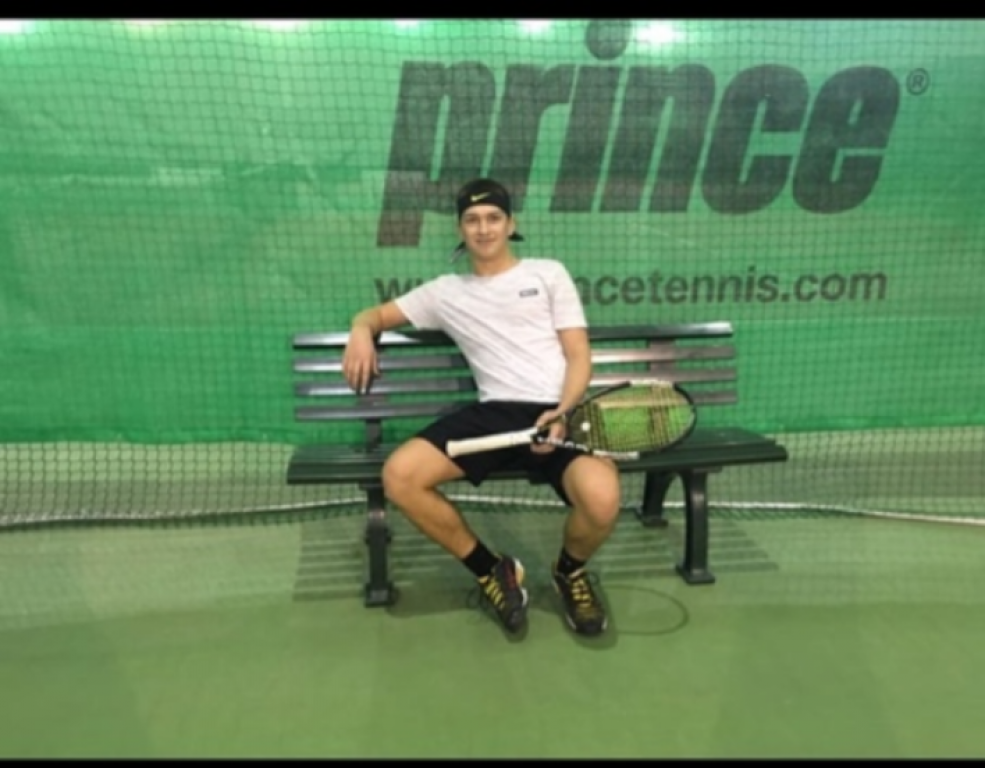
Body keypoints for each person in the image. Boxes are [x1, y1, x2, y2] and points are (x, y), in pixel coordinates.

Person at [341, 178, 621, 637]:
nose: (483, 228)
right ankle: (492, 570)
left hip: (559, 414)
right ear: (460, 229)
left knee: (603, 498)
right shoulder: (444, 292)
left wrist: (563, 411)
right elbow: (376, 315)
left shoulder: (548, 274)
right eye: (472, 220)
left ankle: (569, 572)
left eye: (493, 218)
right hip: (495, 417)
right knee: (400, 476)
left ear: (511, 224)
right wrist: (360, 329)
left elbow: (578, 355)